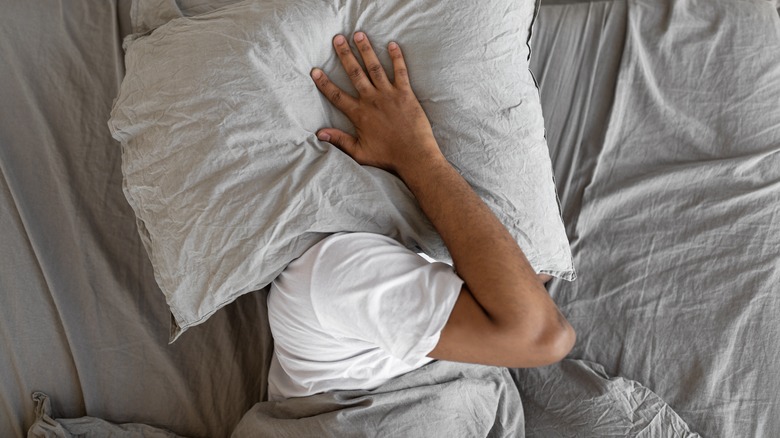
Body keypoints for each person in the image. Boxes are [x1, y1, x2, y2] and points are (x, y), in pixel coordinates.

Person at [266, 32, 575, 401]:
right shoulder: (338, 275)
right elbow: (542, 335)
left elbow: (525, 278)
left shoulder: (387, 256)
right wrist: (417, 156)